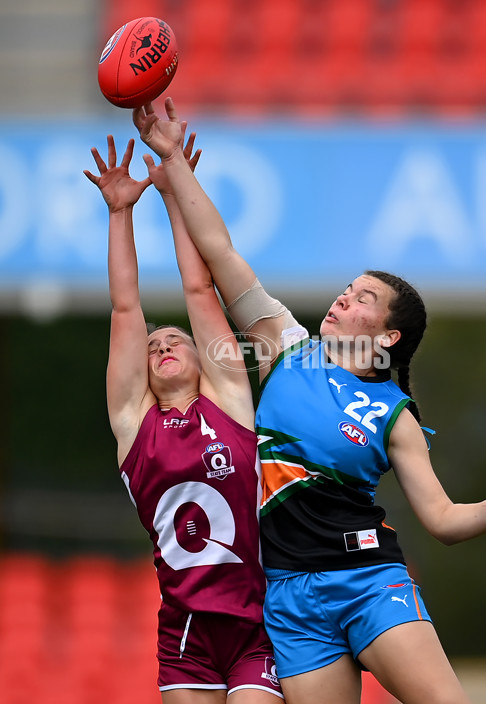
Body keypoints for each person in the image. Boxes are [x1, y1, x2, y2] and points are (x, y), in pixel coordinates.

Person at [131, 98, 486, 704]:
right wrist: (176, 159)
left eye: (362, 297)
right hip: (288, 596)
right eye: (346, 288)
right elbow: (222, 253)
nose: (343, 298)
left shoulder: (395, 415)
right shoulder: (286, 347)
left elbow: (441, 521)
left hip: (366, 579)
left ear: (388, 335)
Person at [84, 133, 283, 703]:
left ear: (204, 358)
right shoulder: (133, 425)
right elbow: (127, 306)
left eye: (176, 340)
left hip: (260, 621)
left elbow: (199, 287)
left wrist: (174, 194)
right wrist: (121, 213)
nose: (163, 346)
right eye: (153, 347)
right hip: (186, 629)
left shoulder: (229, 405)